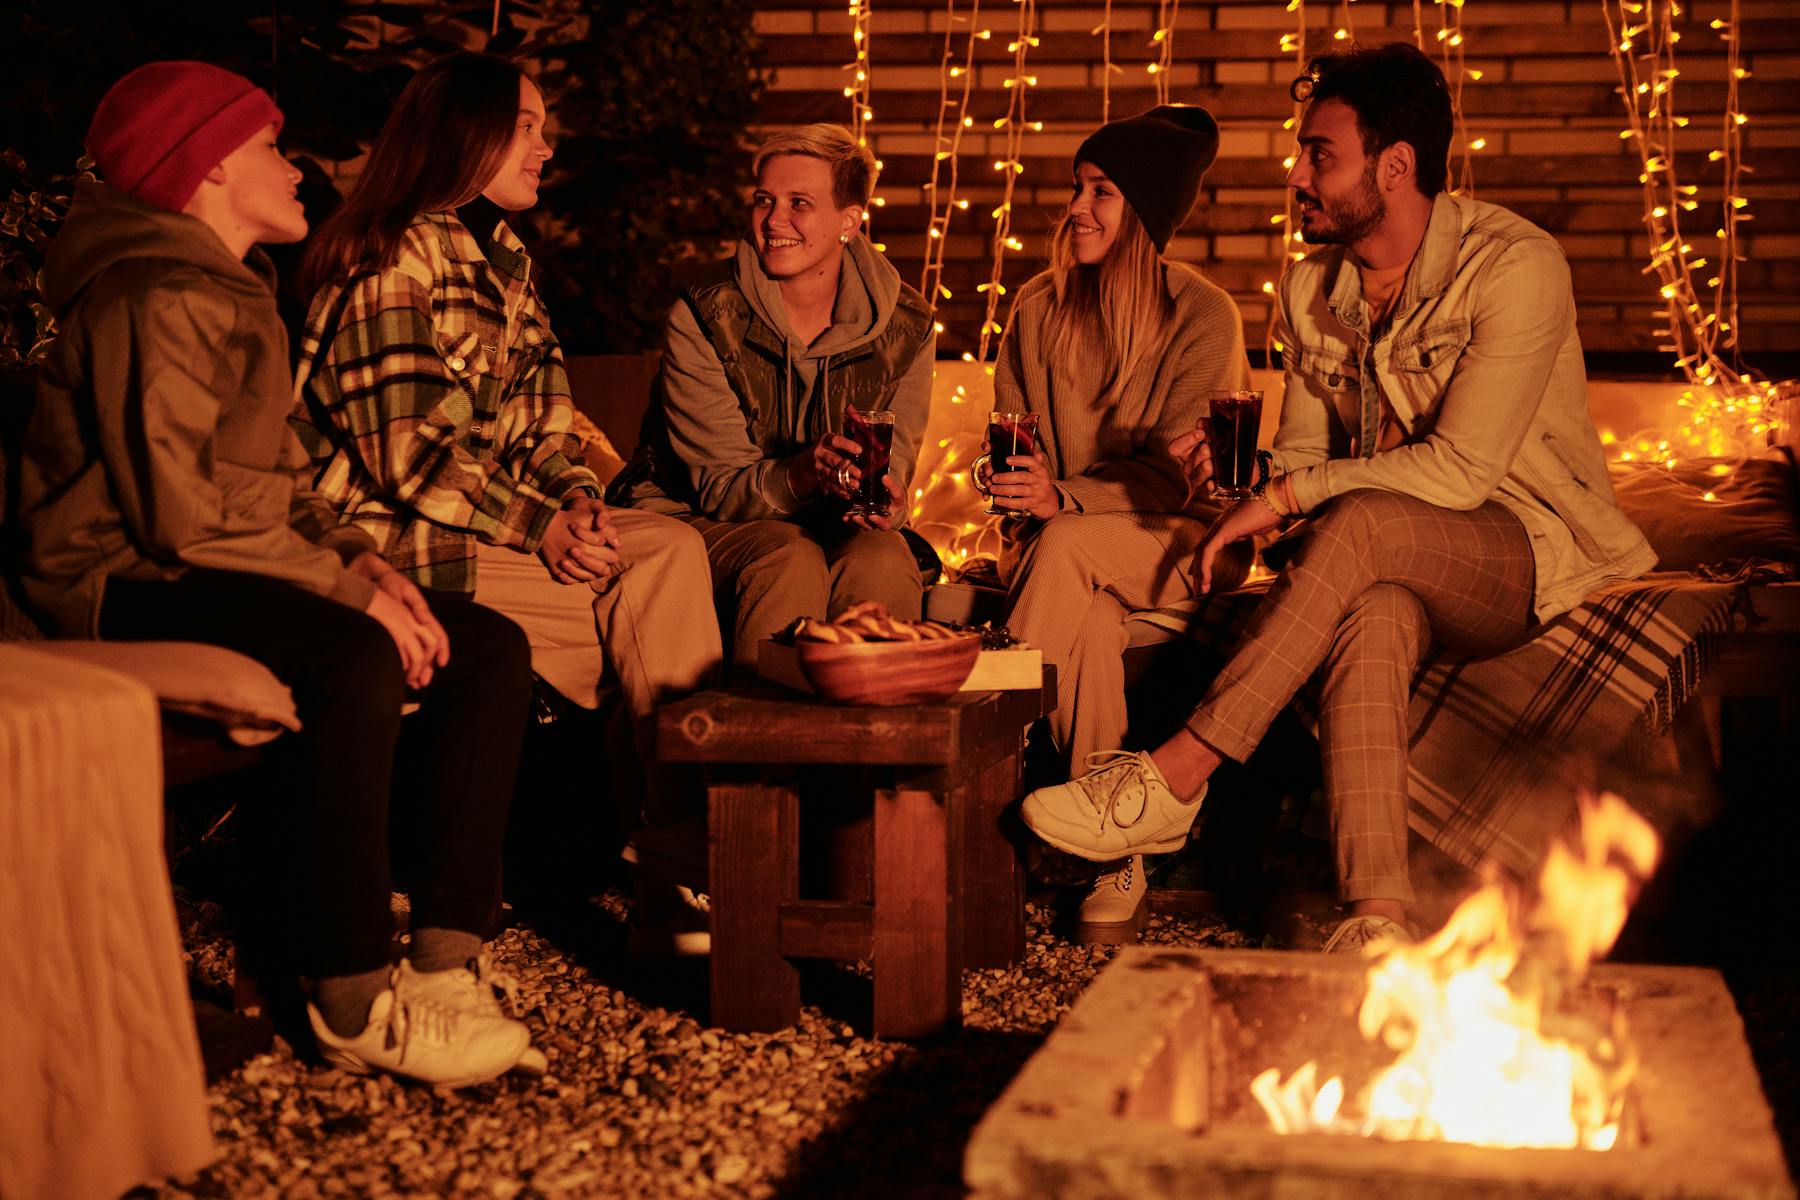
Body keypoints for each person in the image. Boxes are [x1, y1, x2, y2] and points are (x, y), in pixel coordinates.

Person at [1019, 43, 1656, 953]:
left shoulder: (1515, 266)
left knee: (1358, 525)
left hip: (1518, 547)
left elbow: (1463, 472)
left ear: (1394, 168)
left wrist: (1282, 494)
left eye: (1320, 154)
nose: (1297, 175)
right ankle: (1378, 919)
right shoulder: (1312, 286)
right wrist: (1241, 478)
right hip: (1387, 552)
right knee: (1377, 608)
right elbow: (1312, 453)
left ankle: (1173, 781)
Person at [15, 61, 540, 1085]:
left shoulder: (228, 287)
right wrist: (348, 596)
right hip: (109, 579)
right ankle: (347, 989)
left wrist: (364, 563)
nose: (293, 167)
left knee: (486, 648)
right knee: (350, 658)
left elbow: (283, 485)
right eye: (266, 144)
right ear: (207, 166)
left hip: (193, 560)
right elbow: (175, 513)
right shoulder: (153, 294)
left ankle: (440, 963)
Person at [289, 55, 722, 881]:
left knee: (653, 570)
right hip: (394, 545)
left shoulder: (506, 267)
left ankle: (675, 857)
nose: (546, 148)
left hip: (483, 534)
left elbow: (543, 430)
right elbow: (407, 446)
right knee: (657, 589)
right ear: (466, 133)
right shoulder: (388, 258)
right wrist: (540, 526)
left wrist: (581, 502)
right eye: (526, 127)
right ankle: (688, 859)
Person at [986, 104, 1252, 944]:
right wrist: (1011, 484)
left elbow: (1183, 474)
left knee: (1066, 545)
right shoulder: (1037, 308)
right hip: (1072, 557)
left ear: (1142, 210)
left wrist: (1063, 499)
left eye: (1101, 192)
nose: (1077, 209)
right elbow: (1012, 435)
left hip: (1182, 542)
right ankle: (1116, 852)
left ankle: (980, 772)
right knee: (1090, 620)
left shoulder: (1203, 317)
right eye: (1077, 189)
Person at [608, 123, 935, 674]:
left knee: (882, 558)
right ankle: (765, 751)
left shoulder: (908, 325)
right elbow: (716, 486)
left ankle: (876, 749)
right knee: (787, 559)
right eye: (765, 199)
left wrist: (887, 503)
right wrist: (803, 473)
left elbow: (893, 466)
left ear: (849, 223)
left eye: (799, 203)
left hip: (826, 522)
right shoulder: (706, 314)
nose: (774, 220)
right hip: (691, 516)